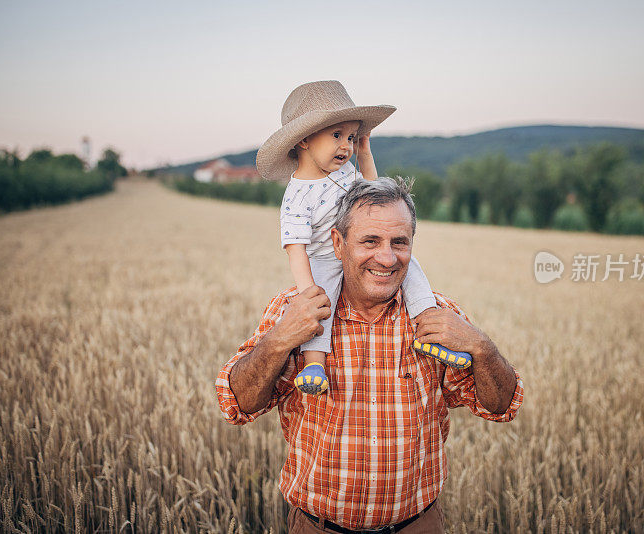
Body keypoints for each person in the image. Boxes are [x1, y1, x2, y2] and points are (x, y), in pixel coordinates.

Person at [216, 178, 524, 533]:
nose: (387, 257)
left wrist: (481, 347)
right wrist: (278, 340)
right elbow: (236, 404)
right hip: (319, 528)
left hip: (417, 526)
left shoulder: (436, 316)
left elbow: (502, 406)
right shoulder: (296, 312)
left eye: (399, 242)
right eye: (370, 241)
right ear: (337, 243)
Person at [256, 80, 472, 397]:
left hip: (362, 252)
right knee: (321, 310)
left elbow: (374, 195)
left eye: (351, 137)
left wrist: (365, 154)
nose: (346, 146)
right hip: (325, 260)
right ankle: (314, 364)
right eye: (337, 136)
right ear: (303, 140)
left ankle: (430, 332)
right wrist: (307, 291)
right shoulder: (297, 197)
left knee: (411, 270)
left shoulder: (345, 173)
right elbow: (296, 250)